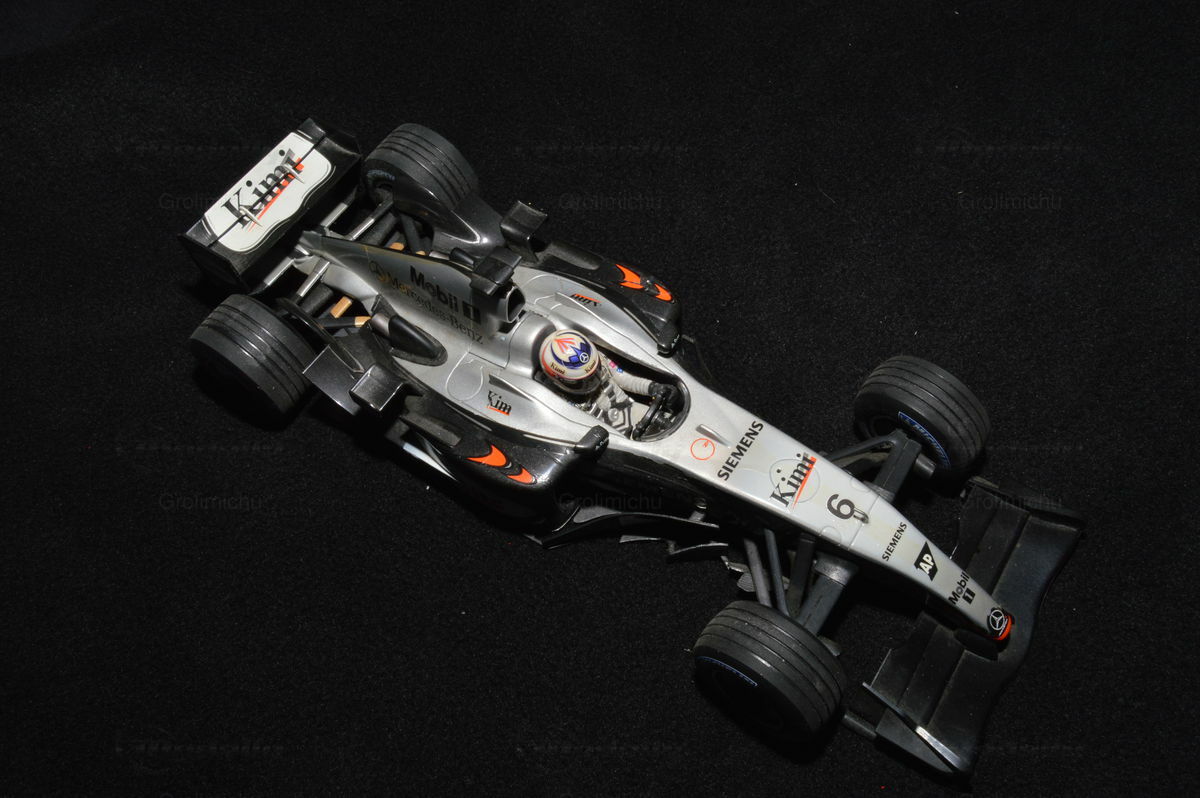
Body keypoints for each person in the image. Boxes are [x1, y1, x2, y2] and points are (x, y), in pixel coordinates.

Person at [538, 329, 660, 436]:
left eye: (595, 371)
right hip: (606, 438)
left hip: (631, 408)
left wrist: (653, 387)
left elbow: (624, 378)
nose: (591, 381)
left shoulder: (598, 357)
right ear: (559, 380)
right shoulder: (553, 399)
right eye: (582, 380)